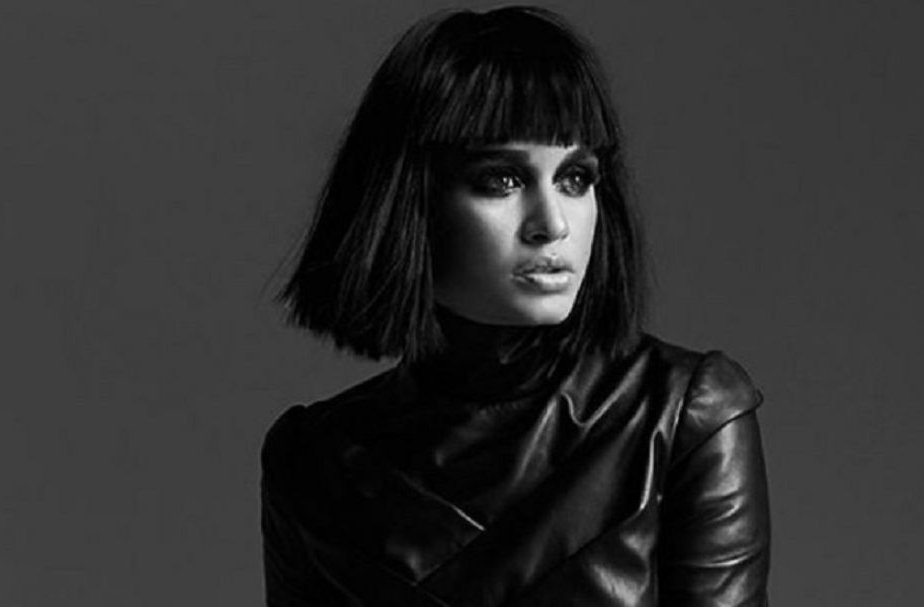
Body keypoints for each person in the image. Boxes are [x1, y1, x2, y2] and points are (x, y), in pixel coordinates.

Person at [261, 5, 771, 606]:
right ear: (409, 199)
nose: (552, 224)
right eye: (501, 180)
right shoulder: (314, 463)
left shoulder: (686, 416)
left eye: (576, 178)